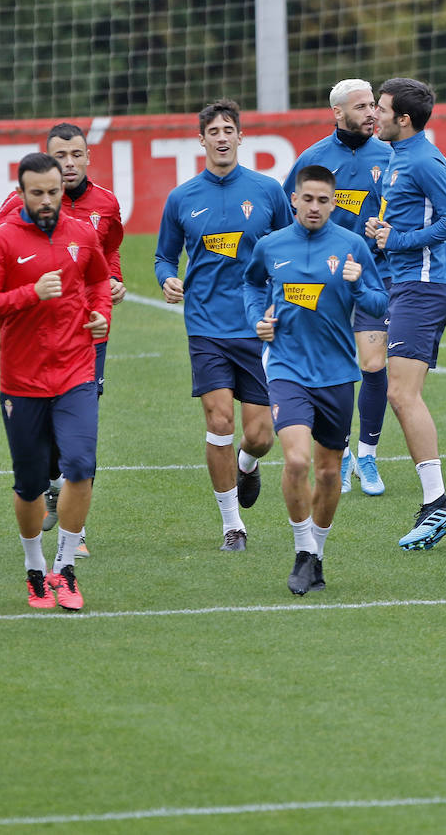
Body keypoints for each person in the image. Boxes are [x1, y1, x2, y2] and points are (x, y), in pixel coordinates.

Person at [0, 153, 112, 609]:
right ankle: (35, 569)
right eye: (38, 193)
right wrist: (31, 293)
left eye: (54, 191)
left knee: (80, 465)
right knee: (30, 484)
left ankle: (65, 568)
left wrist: (100, 316)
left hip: (75, 370)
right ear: (22, 192)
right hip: (23, 380)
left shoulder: (82, 233)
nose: (48, 200)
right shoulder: (2, 240)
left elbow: (98, 281)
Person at [155, 99, 294, 551]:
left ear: (239, 137)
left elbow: (291, 246)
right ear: (201, 140)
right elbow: (163, 257)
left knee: (260, 435)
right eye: (212, 130)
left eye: (227, 129)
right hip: (206, 325)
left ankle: (248, 465)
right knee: (219, 421)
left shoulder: (269, 191)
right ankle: (232, 524)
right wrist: (167, 278)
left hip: (258, 327)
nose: (220, 137)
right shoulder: (181, 198)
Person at [244, 165, 388, 595]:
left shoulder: (351, 246)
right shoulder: (270, 246)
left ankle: (318, 556)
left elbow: (380, 302)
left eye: (324, 200)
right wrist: (258, 320)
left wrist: (359, 285)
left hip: (337, 374)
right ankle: (303, 549)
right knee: (296, 461)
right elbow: (251, 286)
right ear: (294, 199)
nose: (314, 207)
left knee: (327, 473)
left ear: (333, 202)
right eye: (307, 199)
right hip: (287, 368)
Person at [0, 122, 126, 552]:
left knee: (80, 431)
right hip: (32, 344)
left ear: (88, 157)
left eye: (77, 155)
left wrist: (113, 287)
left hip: (85, 335)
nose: (69, 163)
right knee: (48, 434)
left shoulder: (105, 204)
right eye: (61, 156)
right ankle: (51, 483)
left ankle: (77, 534)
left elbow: (105, 259)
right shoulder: (17, 205)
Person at [365, 77, 446, 550]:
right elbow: (413, 218)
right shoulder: (397, 156)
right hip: (403, 284)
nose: (375, 116)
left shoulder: (426, 159)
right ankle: (434, 502)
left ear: (403, 120)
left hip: (424, 288)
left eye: (381, 109)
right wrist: (383, 230)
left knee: (402, 394)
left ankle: (437, 503)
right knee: (399, 393)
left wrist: (399, 241)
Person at [282, 79, 395, 497]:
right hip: (321, 280)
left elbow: (408, 212)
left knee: (372, 364)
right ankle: (341, 450)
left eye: (373, 105)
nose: (371, 113)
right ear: (337, 113)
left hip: (372, 275)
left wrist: (389, 232)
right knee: (330, 367)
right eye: (362, 106)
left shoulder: (391, 156)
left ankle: (367, 453)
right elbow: (286, 214)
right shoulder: (312, 159)